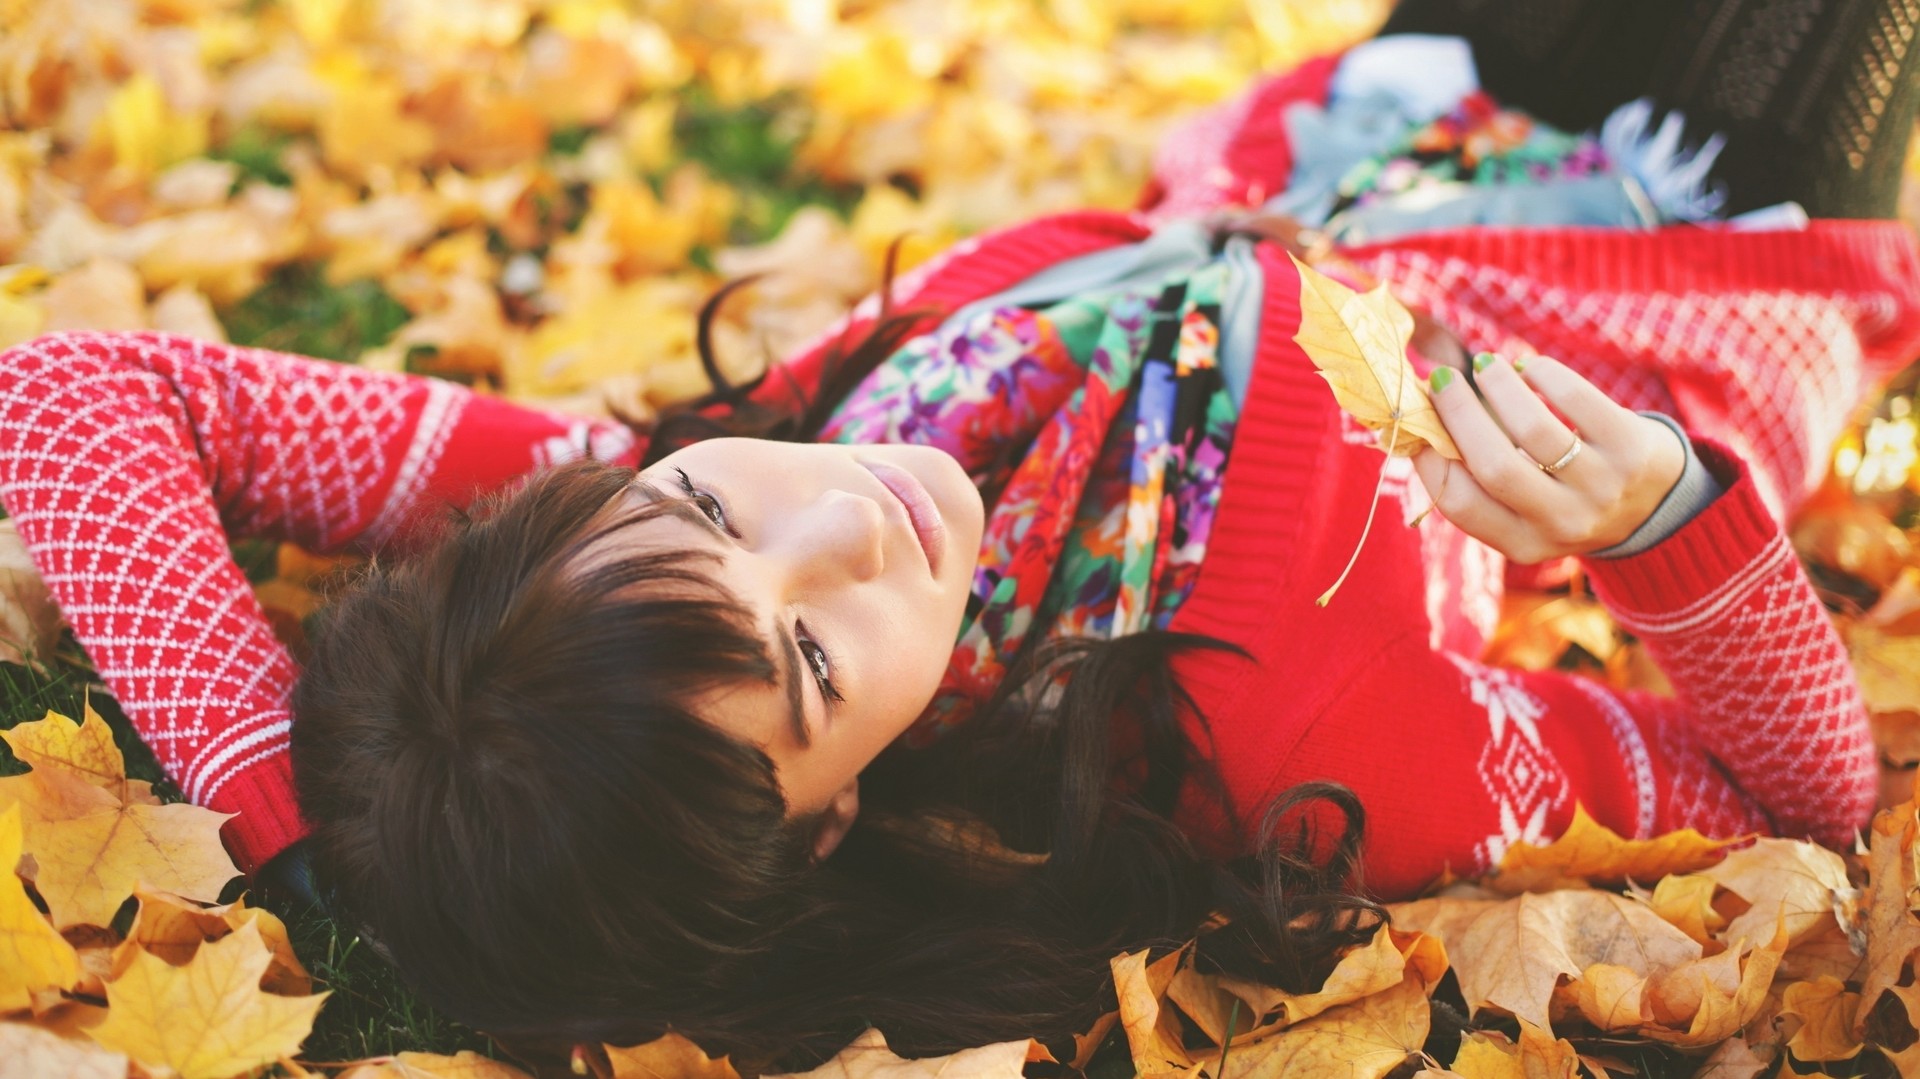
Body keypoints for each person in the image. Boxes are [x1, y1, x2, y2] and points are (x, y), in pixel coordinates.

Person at [3, 0, 1919, 1068]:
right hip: (1687, 239)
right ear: (832, 817)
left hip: (1370, 128)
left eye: (701, 512)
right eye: (810, 658)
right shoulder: (1285, 727)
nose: (841, 512)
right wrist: (1667, 525)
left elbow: (67, 393)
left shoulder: (693, 476)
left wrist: (288, 830)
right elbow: (1802, 801)